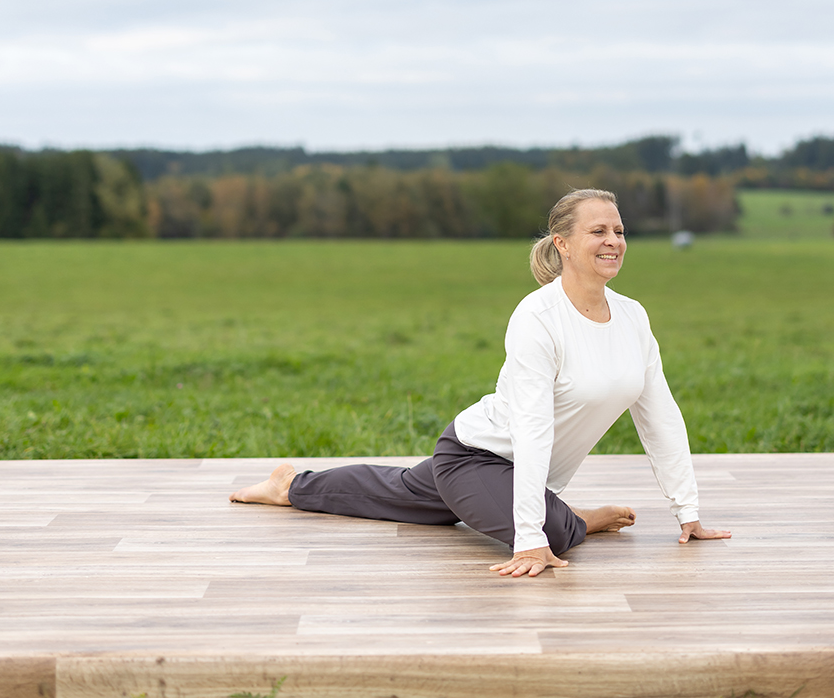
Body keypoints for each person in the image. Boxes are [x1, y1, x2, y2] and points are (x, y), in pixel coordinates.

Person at [231, 188, 731, 577]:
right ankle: (572, 518)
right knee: (555, 536)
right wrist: (531, 534)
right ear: (563, 244)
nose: (614, 242)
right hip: (475, 455)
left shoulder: (632, 317)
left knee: (398, 493)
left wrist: (688, 512)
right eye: (598, 231)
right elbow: (533, 427)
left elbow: (659, 414)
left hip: (517, 474)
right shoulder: (538, 316)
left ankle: (289, 485)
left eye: (619, 231)